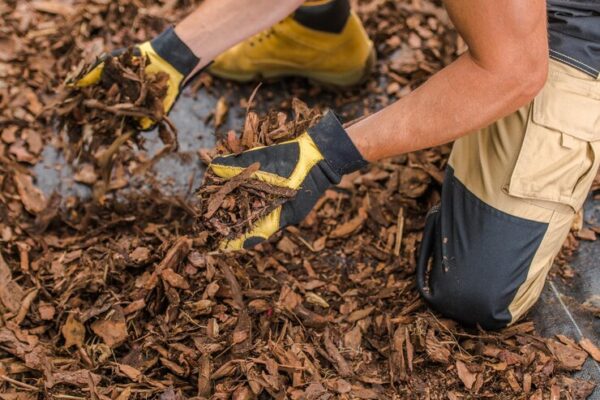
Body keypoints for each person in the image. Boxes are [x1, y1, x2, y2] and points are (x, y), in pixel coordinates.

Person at [76, 0, 600, 330]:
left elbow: (512, 72)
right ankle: (318, 30)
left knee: (478, 293)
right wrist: (171, 54)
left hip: (569, 32)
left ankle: (479, 97)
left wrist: (324, 155)